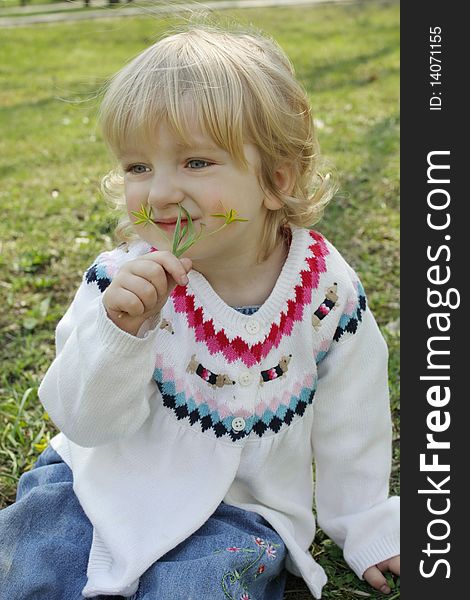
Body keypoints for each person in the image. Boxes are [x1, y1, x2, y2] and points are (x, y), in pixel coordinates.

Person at [0, 24, 400, 600]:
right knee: (34, 565)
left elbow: (353, 416)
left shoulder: (323, 289)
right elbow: (83, 423)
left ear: (274, 180)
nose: (159, 192)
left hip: (235, 509)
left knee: (197, 585)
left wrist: (364, 523)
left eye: (194, 162)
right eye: (138, 167)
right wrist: (119, 334)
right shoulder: (120, 282)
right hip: (94, 485)